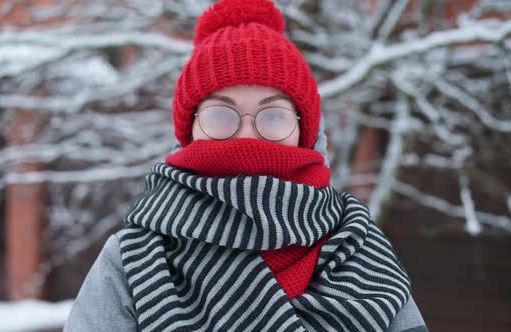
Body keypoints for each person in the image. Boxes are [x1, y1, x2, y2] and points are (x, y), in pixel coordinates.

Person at [64, 0, 428, 331]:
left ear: (305, 130)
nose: (248, 138)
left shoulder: (357, 244)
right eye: (222, 116)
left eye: (272, 117)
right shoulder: (135, 257)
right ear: (189, 130)